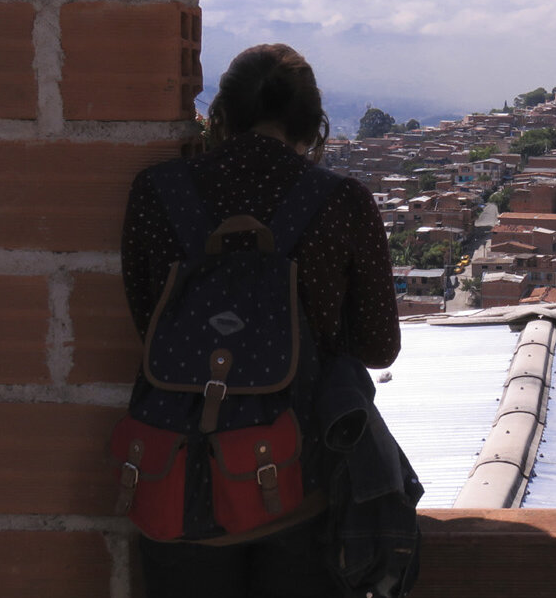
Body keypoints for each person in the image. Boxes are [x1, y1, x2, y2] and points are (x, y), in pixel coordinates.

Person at [120, 43, 401, 597]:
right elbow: (379, 345)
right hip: (301, 485)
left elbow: (147, 320)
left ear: (221, 116)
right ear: (313, 124)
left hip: (175, 482)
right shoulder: (342, 201)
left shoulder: (158, 192)